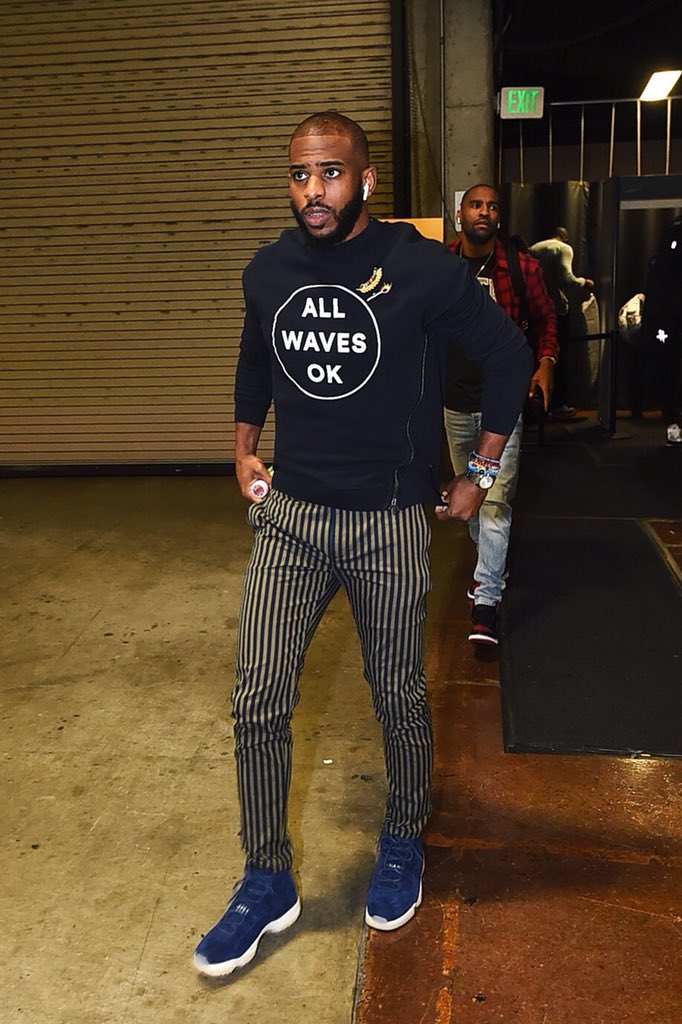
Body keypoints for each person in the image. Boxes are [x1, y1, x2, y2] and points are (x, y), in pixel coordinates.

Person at [192, 112, 532, 979]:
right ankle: (267, 877)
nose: (314, 191)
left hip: (387, 517)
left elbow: (504, 353)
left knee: (397, 698)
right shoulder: (268, 272)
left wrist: (480, 470)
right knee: (257, 699)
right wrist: (242, 446)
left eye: (331, 174)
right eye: (301, 175)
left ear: (366, 181)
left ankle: (401, 841)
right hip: (294, 518)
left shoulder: (421, 267)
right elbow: (255, 358)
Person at [445, 184, 558, 646]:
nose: (484, 212)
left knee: (493, 499)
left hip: (502, 402)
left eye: (492, 206)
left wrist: (545, 365)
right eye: (476, 204)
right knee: (468, 494)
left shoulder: (520, 266)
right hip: (453, 398)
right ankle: (493, 558)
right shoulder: (442, 266)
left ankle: (486, 599)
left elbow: (547, 319)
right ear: (460, 214)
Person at [530, 226, 593, 419]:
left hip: (533, 308)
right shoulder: (563, 249)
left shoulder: (535, 248)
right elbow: (567, 279)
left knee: (535, 358)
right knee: (558, 357)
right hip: (555, 308)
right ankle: (558, 404)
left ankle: (536, 405)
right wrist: (585, 282)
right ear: (564, 237)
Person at [640, 215, 682, 445]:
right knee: (669, 368)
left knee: (668, 368)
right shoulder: (672, 246)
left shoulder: (660, 258)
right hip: (669, 320)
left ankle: (672, 420)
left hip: (664, 321)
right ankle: (672, 420)